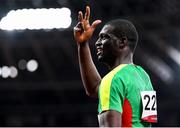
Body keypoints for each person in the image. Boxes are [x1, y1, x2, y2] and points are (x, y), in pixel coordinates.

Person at [73, 6, 157, 127]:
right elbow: (95, 89)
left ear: (122, 42)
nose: (97, 42)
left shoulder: (113, 80)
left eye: (104, 37)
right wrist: (82, 44)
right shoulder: (143, 76)